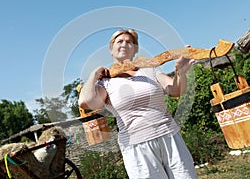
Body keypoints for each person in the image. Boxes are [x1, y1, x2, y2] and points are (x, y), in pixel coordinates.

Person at [78, 29, 198, 179]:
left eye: (129, 42)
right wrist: (94, 75)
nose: (124, 44)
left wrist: (180, 72)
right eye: (119, 41)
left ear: (135, 49)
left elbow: (175, 90)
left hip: (170, 136)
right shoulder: (105, 83)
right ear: (111, 49)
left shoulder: (150, 71)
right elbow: (85, 102)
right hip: (136, 147)